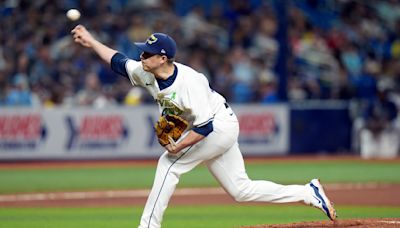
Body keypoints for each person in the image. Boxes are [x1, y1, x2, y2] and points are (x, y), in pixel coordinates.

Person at [71, 24, 336, 228]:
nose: (141, 55)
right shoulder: (145, 70)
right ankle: (308, 192)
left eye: (148, 53)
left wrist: (178, 146)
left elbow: (205, 128)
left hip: (219, 126)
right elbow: (119, 62)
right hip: (216, 125)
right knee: (240, 190)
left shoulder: (190, 82)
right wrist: (92, 41)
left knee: (168, 164)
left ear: (163, 58)